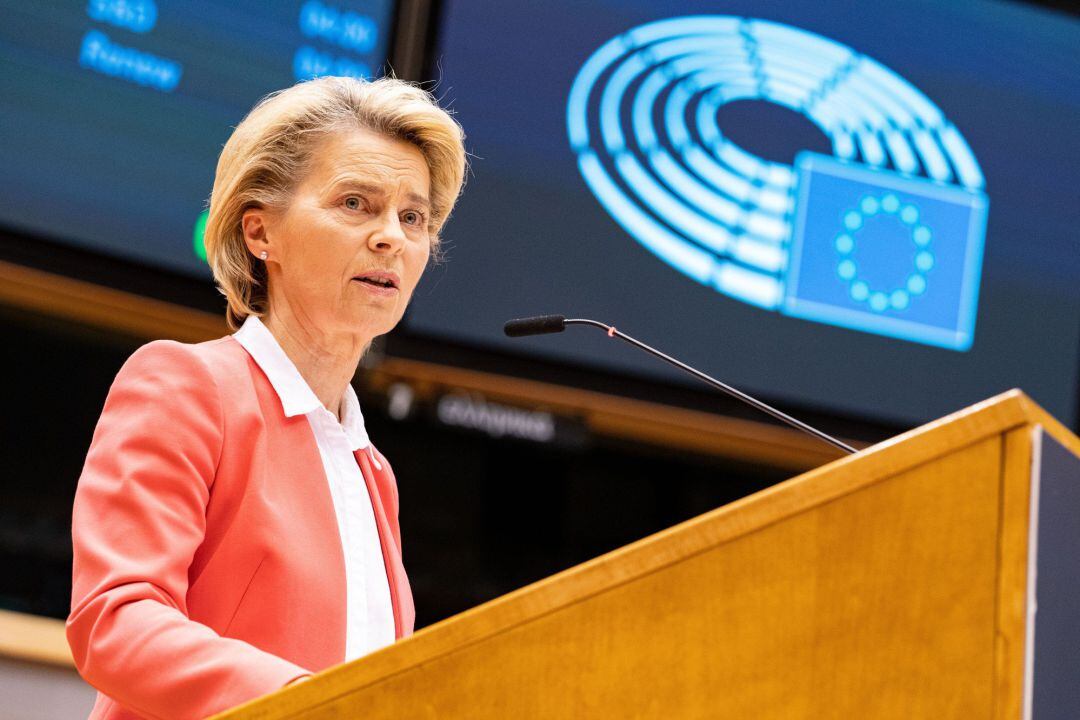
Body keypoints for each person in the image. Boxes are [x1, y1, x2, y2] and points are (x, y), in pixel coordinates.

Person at [66, 76, 467, 720]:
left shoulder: (373, 474)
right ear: (261, 234)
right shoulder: (184, 387)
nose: (392, 235)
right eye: (356, 203)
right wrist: (307, 704)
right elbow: (116, 621)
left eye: (412, 216)